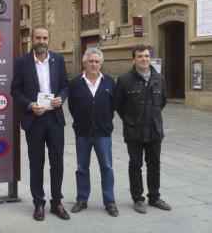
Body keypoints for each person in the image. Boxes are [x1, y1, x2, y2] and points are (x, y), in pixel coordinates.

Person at [11, 26, 70, 221]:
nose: (41, 41)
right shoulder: (23, 62)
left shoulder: (58, 59)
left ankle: (57, 202)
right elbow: (15, 89)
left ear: (48, 40)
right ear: (32, 39)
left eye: (45, 38)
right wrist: (29, 104)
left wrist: (61, 98)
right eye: (38, 38)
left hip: (54, 119)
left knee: (57, 163)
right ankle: (39, 203)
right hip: (34, 120)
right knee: (36, 163)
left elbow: (64, 85)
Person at [115, 44, 172, 214]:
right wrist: (131, 120)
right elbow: (119, 105)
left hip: (154, 129)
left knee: (154, 164)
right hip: (134, 131)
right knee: (135, 165)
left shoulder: (158, 78)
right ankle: (138, 199)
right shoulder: (124, 80)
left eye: (146, 56)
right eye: (140, 56)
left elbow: (162, 101)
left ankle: (154, 197)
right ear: (134, 59)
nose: (144, 59)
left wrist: (152, 117)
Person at [68, 47, 119, 217]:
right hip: (82, 133)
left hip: (103, 133)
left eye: (97, 61)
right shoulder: (75, 83)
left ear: (101, 63)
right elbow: (72, 107)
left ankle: (110, 202)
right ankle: (82, 199)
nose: (94, 64)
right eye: (91, 61)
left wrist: (103, 121)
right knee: (82, 168)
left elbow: (113, 106)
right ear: (84, 63)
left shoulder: (109, 82)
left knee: (107, 167)